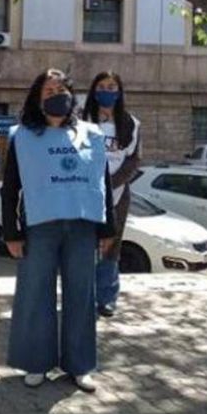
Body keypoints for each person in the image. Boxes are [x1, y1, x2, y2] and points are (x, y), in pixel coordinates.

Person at [1, 69, 115, 393]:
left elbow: (102, 183)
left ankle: (80, 366)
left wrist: (108, 229)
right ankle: (36, 363)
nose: (56, 95)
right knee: (36, 295)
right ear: (38, 99)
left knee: (82, 295)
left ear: (71, 94)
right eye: (48, 91)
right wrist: (12, 232)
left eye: (61, 89)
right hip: (40, 228)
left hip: (82, 226)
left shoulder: (91, 134)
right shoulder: (21, 136)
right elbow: (10, 188)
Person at [81, 72, 140, 317]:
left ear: (119, 91)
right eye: (102, 86)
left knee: (110, 247)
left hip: (117, 196)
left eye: (112, 86)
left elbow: (133, 160)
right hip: (85, 193)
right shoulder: (82, 120)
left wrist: (112, 183)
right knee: (84, 246)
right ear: (95, 91)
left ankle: (106, 297)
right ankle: (82, 297)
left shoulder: (130, 124)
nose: (107, 91)